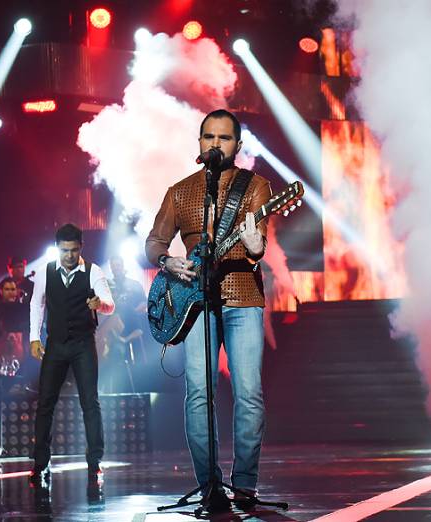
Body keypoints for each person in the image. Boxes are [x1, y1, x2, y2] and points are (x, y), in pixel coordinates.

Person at [145, 109, 272, 511]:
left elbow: (259, 243)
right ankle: (209, 485)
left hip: (243, 296)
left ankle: (246, 483)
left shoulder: (256, 186)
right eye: (208, 137)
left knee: (248, 392)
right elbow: (152, 242)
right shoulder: (180, 192)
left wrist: (254, 248)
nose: (216, 144)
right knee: (199, 392)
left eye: (224, 138)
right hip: (196, 299)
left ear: (237, 145)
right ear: (199, 143)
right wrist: (167, 261)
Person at [28, 224, 114, 497]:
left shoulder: (93, 271)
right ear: (57, 249)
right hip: (55, 344)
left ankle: (94, 463)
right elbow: (36, 304)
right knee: (45, 404)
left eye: (74, 250)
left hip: (82, 344)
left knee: (90, 402)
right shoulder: (45, 272)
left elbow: (110, 303)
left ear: (81, 248)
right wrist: (34, 337)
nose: (69, 255)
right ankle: (40, 464)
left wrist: (99, 303)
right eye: (64, 250)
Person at [102, 255, 148, 392]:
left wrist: (131, 312)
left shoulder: (134, 284)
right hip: (114, 328)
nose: (116, 268)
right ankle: (113, 389)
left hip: (133, 325)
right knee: (114, 359)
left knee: (137, 362)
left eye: (118, 265)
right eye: (113, 266)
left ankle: (138, 390)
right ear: (111, 268)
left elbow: (144, 303)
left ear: (122, 266)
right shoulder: (108, 285)